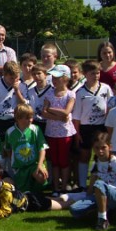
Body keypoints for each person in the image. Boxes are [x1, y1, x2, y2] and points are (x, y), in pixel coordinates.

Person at [69, 131, 116, 231]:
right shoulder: (96, 163)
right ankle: (104, 211)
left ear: (110, 147)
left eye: (103, 148)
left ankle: (102, 219)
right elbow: (91, 186)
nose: (100, 151)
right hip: (100, 194)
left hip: (115, 197)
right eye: (97, 148)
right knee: (74, 209)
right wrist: (87, 201)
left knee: (99, 184)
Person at [72, 60, 113, 191]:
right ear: (85, 74)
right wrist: (77, 133)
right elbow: (77, 116)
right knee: (84, 155)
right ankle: (83, 184)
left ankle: (102, 180)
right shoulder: (80, 92)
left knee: (102, 155)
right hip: (86, 127)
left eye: (98, 73)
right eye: (92, 73)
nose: (96, 76)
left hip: (101, 127)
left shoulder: (106, 89)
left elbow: (110, 108)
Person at [42, 65, 76, 194]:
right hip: (51, 132)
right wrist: (58, 115)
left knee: (64, 161)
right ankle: (56, 187)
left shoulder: (70, 94)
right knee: (54, 161)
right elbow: (44, 112)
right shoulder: (49, 93)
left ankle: (64, 186)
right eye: (53, 77)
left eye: (57, 77)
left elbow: (67, 112)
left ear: (65, 78)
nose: (54, 80)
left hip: (64, 133)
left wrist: (51, 110)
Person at [3, 103, 49, 193]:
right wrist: (14, 163)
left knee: (40, 176)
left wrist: (40, 165)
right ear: (18, 118)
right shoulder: (10, 132)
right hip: (19, 168)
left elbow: (42, 149)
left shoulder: (35, 129)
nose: (31, 120)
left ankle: (38, 192)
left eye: (31, 117)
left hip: (34, 164)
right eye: (27, 118)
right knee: (23, 193)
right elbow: (8, 149)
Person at [0, 61, 25, 138]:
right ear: (4, 74)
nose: (14, 80)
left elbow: (23, 103)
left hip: (14, 120)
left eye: (16, 77)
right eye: (11, 78)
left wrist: (17, 90)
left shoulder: (21, 85)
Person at [27, 63, 53, 137]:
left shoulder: (52, 90)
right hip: (34, 123)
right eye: (34, 74)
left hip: (48, 123)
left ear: (45, 74)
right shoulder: (30, 91)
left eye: (39, 73)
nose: (36, 76)